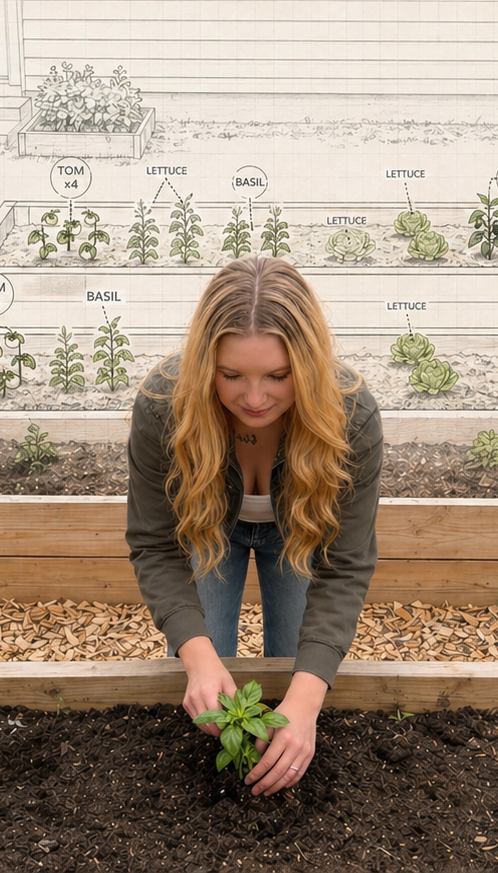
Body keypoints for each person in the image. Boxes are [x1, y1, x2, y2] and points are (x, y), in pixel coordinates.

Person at [126, 255, 383, 797]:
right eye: (232, 375)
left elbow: (347, 564)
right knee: (205, 692)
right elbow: (153, 542)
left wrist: (306, 702)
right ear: (205, 365)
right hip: (207, 533)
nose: (255, 397)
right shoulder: (162, 406)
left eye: (278, 376)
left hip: (298, 537)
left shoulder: (351, 414)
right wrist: (198, 660)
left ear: (306, 367)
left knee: (299, 671)